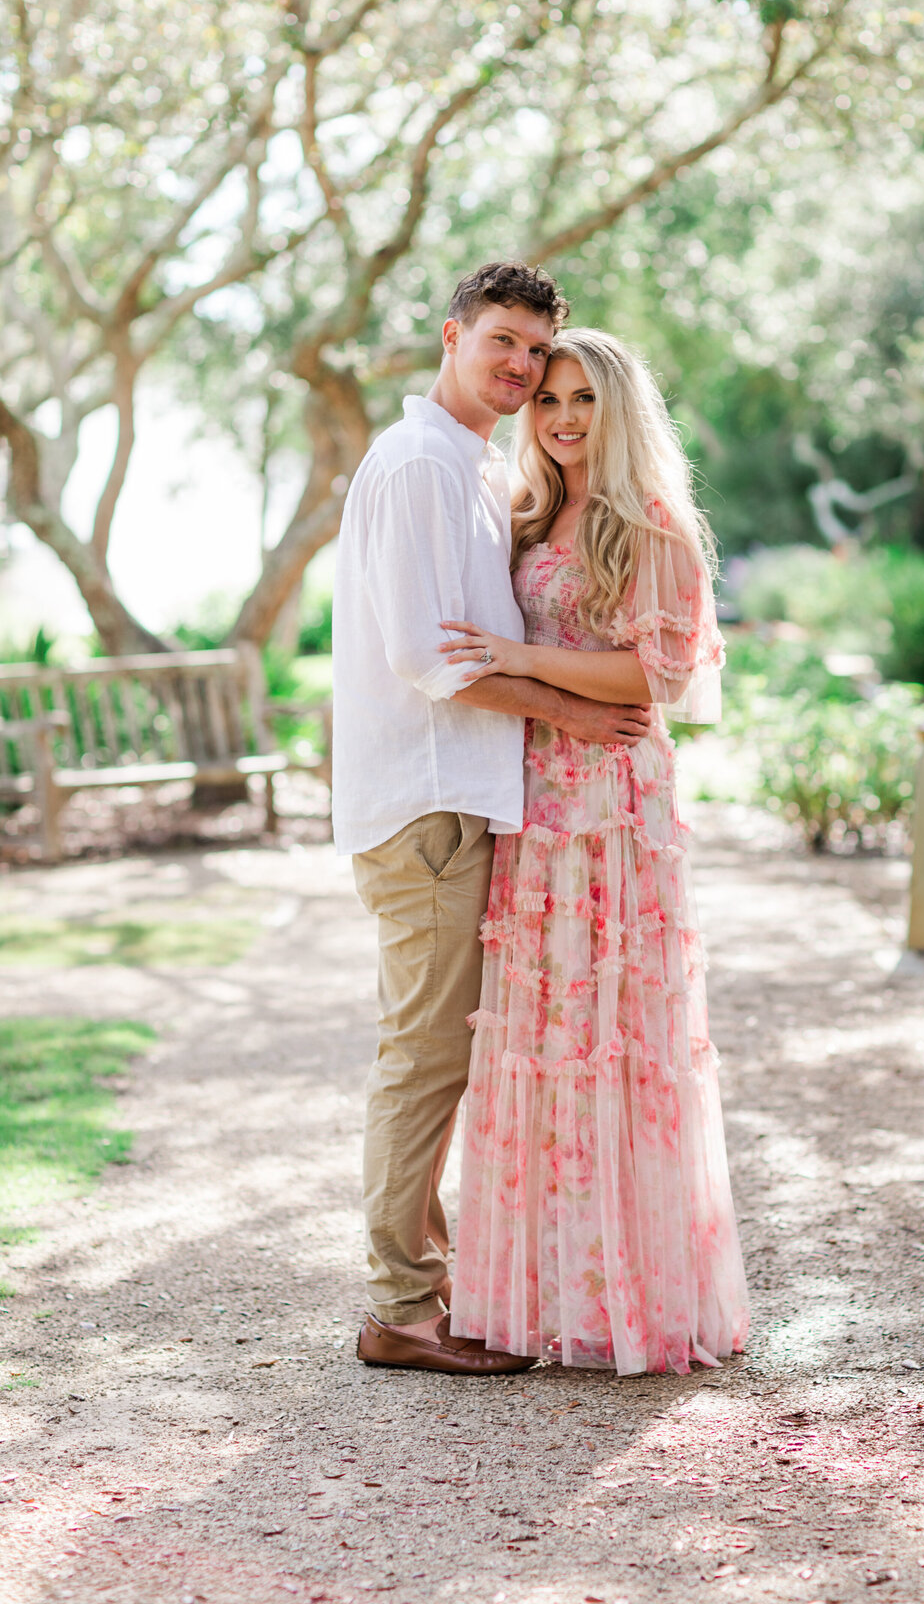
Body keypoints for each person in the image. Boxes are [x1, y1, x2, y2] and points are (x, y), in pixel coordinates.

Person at [334, 263, 653, 1377]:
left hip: (462, 805)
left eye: (536, 352)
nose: (521, 370)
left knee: (444, 1059)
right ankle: (399, 1310)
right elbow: (432, 661)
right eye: (503, 344)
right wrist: (569, 708)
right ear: (452, 336)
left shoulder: (469, 468)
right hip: (426, 805)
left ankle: (430, 1283)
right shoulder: (421, 464)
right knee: (423, 1061)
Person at [440, 327, 749, 1376]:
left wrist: (523, 657)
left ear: (620, 410)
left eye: (583, 399)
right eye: (550, 401)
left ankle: (633, 1294)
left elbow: (659, 677)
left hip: (613, 799)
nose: (564, 418)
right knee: (543, 1029)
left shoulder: (651, 522)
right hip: (537, 793)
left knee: (613, 1033)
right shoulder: (530, 514)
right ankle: (540, 1291)